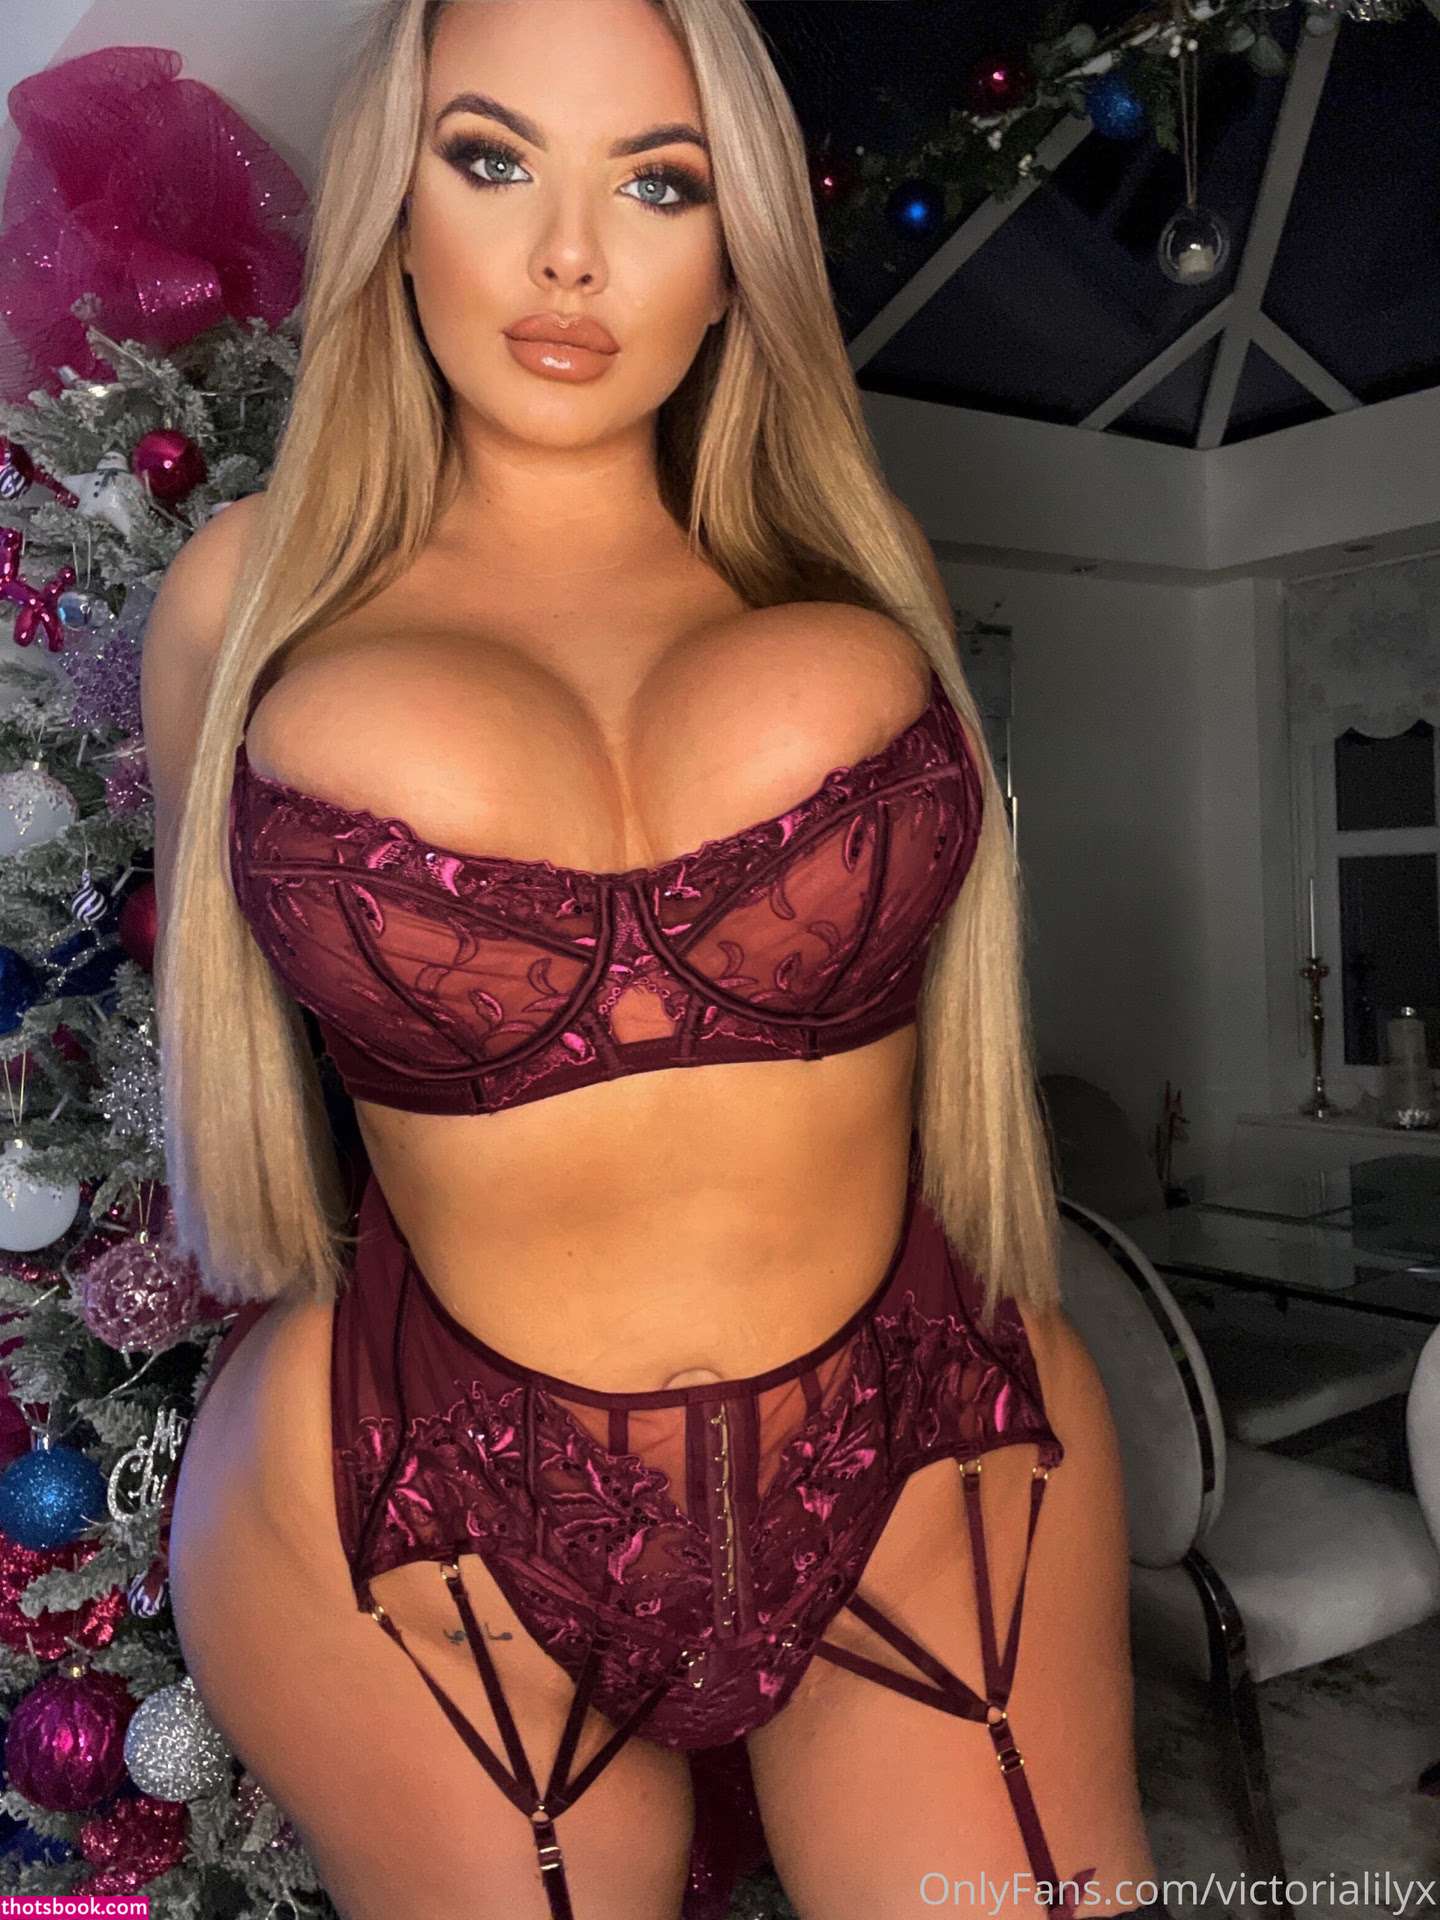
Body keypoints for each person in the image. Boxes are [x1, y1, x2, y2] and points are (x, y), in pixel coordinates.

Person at [142, 2, 1171, 1916]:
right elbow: (221, 1020)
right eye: (490, 159)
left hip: (927, 1431)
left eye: (660, 183)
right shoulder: (250, 596)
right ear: (392, 207)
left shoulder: (852, 557)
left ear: (735, 241)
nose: (569, 256)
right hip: (409, 1489)